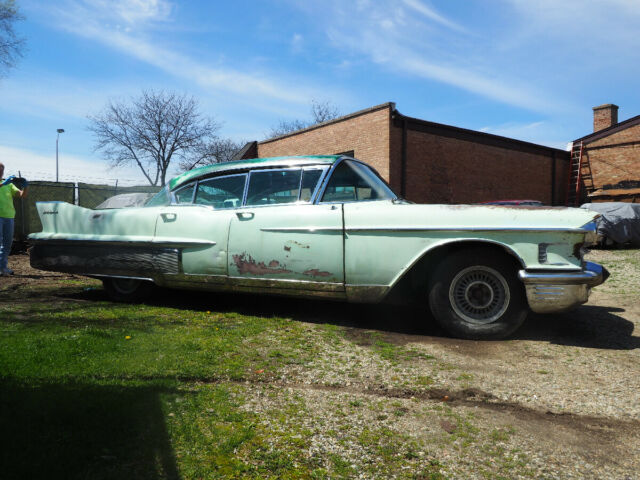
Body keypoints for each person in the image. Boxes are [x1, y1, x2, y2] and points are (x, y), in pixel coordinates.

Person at [0, 163, 28, 276]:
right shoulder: (5, 183)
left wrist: (25, 186)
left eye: (2, 170)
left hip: (9, 217)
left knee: (7, 244)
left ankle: (2, 268)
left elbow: (22, 195)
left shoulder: (9, 185)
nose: (0, 171)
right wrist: (3, 183)